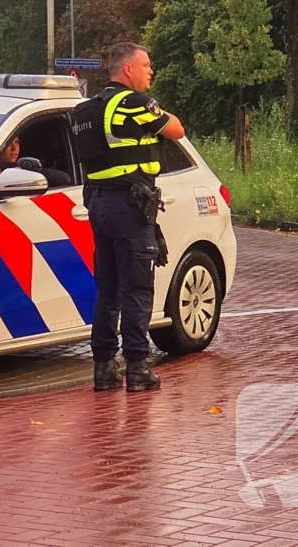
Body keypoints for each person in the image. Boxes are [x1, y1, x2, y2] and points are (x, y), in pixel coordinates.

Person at [86, 42, 184, 392]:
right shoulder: (134, 103)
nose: (150, 71)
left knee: (108, 290)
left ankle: (103, 367)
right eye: (145, 65)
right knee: (138, 289)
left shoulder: (90, 109)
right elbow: (177, 129)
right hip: (130, 207)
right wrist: (155, 109)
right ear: (127, 69)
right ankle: (138, 369)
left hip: (99, 205)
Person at [0, 136, 72, 187]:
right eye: (8, 143)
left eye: (16, 142)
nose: (14, 148)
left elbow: (64, 178)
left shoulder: (21, 169)